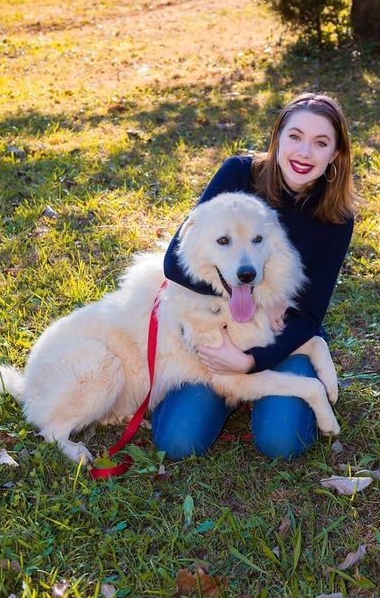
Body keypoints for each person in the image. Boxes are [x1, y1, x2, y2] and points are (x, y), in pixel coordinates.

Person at [152, 92, 357, 461]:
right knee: (178, 442)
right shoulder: (237, 175)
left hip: (283, 333)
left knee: (281, 442)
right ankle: (229, 394)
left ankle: (252, 385)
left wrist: (249, 364)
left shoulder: (336, 219)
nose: (304, 152)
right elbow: (174, 264)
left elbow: (309, 315)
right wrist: (261, 293)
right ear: (277, 138)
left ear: (335, 156)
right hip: (219, 326)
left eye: (320, 143)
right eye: (294, 137)